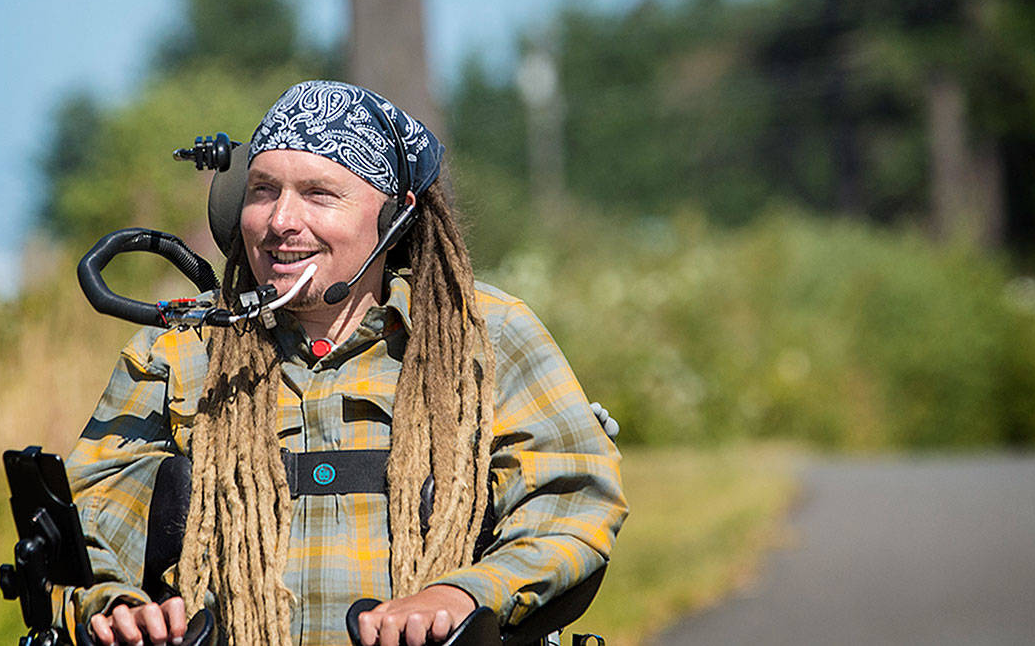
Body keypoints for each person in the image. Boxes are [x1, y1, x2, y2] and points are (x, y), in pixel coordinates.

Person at [61, 80, 626, 646]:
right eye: (262, 191)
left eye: (318, 194)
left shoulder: (489, 336)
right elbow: (88, 513)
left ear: (393, 218)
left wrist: (462, 596)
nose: (280, 219)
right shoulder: (178, 353)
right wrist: (117, 607)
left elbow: (574, 498)